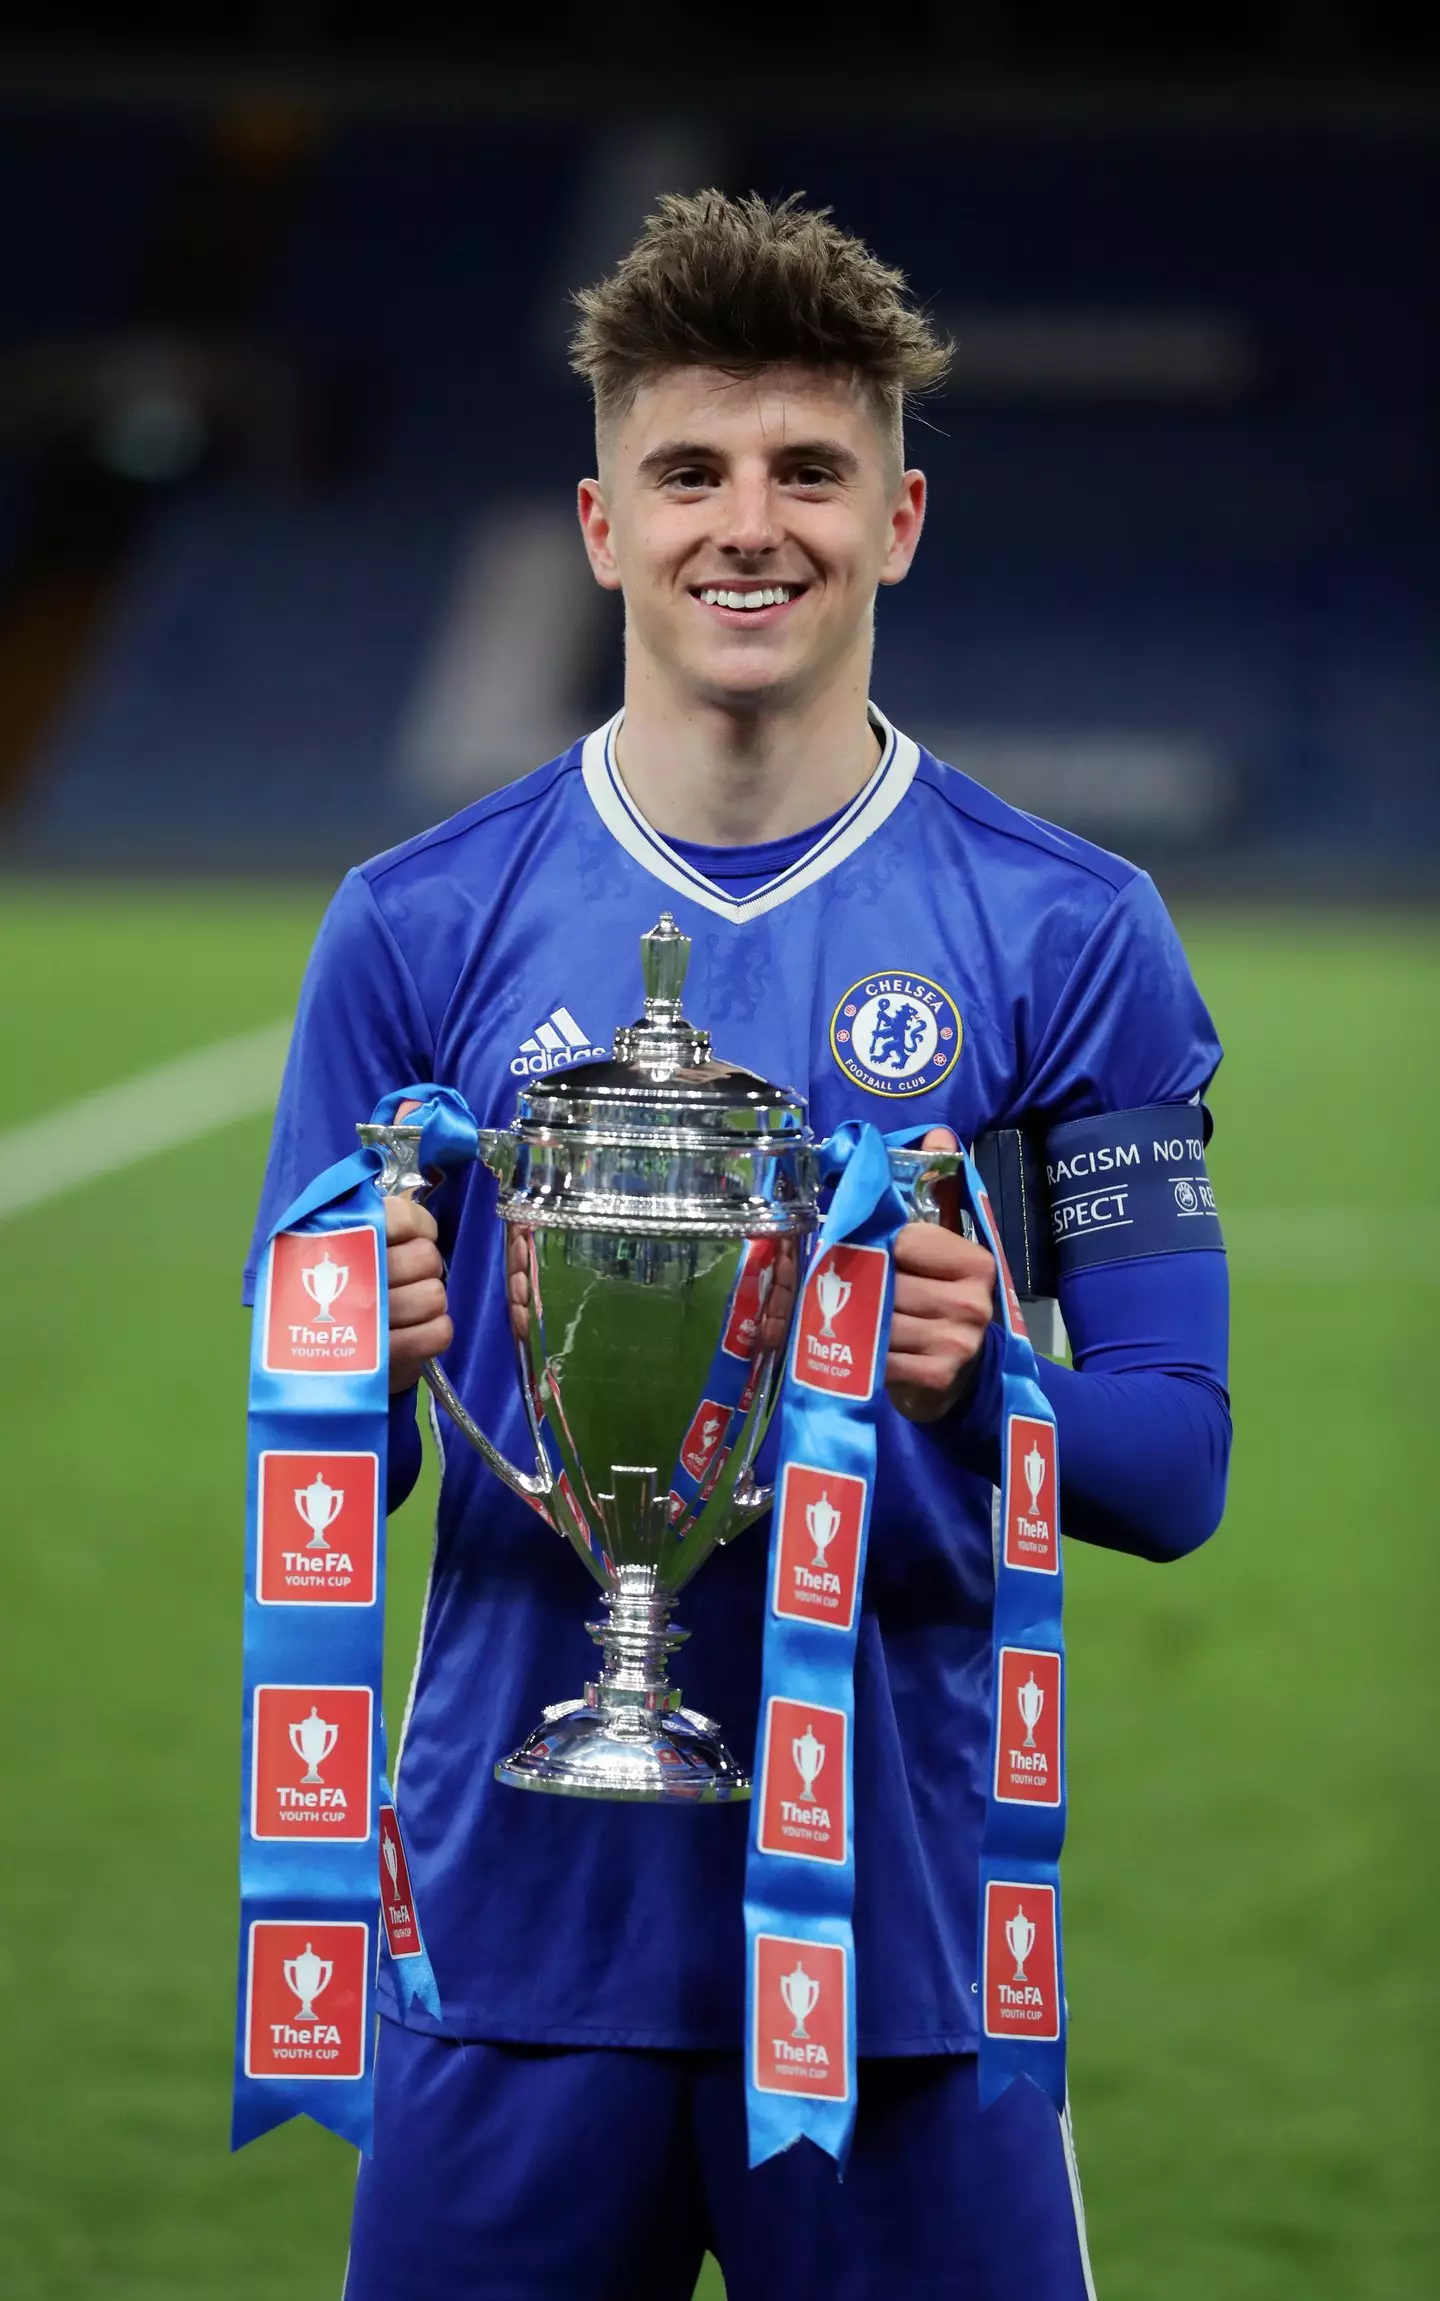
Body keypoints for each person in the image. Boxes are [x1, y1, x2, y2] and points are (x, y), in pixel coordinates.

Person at [245, 190, 1231, 2301]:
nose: (747, 522)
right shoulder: (411, 928)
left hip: (901, 1966)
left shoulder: (1073, 935)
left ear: (903, 520)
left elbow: (1178, 1465)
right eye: (687, 469)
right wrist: (363, 1356)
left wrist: (997, 1382)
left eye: (810, 470)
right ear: (601, 524)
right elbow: (345, 1481)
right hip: (514, 1941)